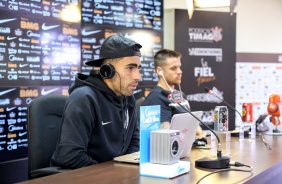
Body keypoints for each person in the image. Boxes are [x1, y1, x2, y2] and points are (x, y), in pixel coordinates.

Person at [51, 34, 142, 169]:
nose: (138, 76)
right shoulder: (83, 98)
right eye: (130, 68)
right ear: (107, 71)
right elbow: (70, 156)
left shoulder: (128, 98)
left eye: (138, 68)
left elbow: (134, 142)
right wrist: (113, 174)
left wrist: (125, 170)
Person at [144, 49, 205, 138]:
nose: (180, 72)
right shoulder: (156, 98)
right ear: (159, 71)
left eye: (179, 67)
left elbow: (196, 129)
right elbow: (164, 136)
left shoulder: (180, 94)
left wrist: (198, 136)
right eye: (173, 68)